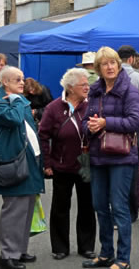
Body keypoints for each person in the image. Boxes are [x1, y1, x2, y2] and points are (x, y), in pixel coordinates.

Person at [82, 47, 139, 269]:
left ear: (119, 65)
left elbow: (135, 122)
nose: (109, 67)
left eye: (112, 63)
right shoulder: (95, 91)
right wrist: (89, 126)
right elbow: (85, 120)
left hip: (122, 157)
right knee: (99, 205)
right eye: (104, 64)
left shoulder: (129, 90)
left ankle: (123, 259)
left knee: (119, 207)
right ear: (98, 68)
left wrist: (106, 123)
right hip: (99, 156)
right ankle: (106, 253)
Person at [0, 66, 44, 269]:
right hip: (12, 163)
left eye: (22, 78)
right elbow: (14, 119)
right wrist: (19, 101)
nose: (22, 82)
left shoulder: (16, 100)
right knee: (14, 211)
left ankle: (19, 250)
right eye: (17, 79)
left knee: (26, 209)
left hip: (28, 162)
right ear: (6, 83)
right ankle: (7, 257)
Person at [39, 68, 96, 261]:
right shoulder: (54, 108)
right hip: (61, 164)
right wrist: (47, 163)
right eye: (83, 84)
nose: (87, 87)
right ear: (71, 88)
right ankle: (60, 247)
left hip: (87, 164)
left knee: (87, 206)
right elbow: (43, 136)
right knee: (60, 207)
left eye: (88, 84)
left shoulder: (92, 105)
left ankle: (86, 246)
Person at [117, 45, 139, 223]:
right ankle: (132, 208)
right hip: (134, 130)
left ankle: (117, 206)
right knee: (133, 167)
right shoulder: (138, 78)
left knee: (115, 167)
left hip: (113, 129)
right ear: (131, 59)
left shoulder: (111, 77)